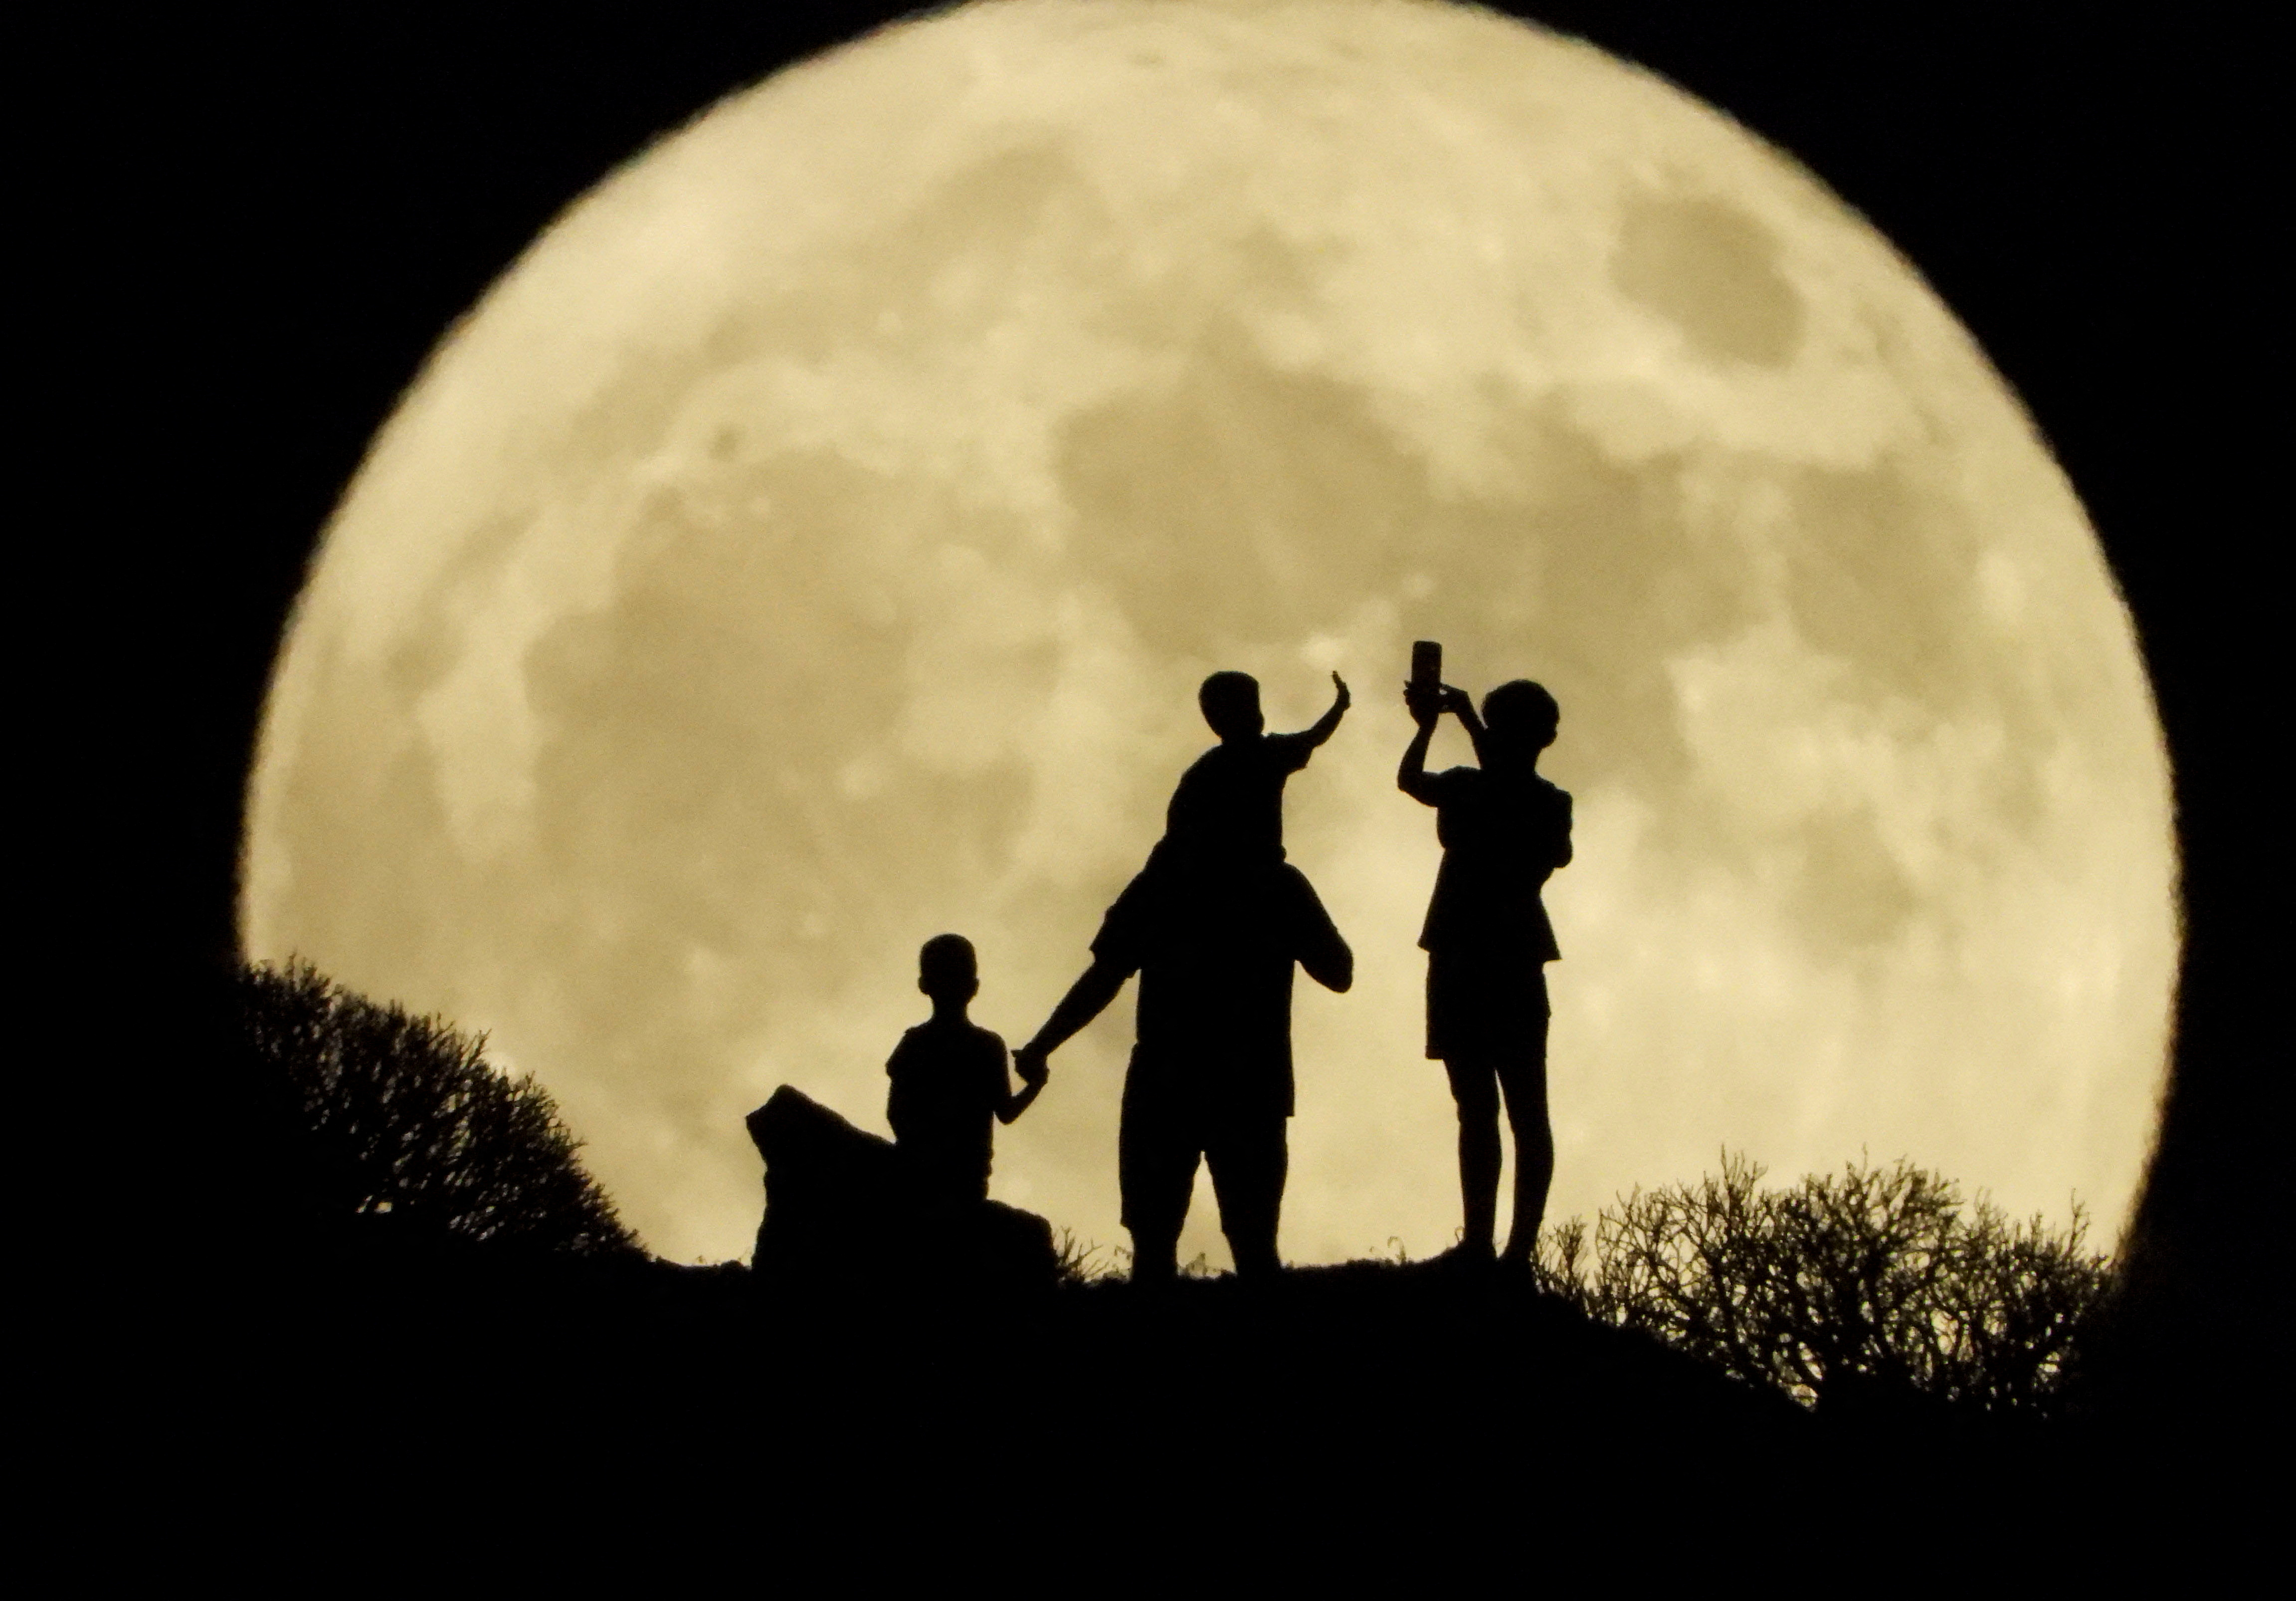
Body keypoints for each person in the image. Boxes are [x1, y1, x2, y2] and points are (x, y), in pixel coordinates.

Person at [1398, 676, 1573, 1266]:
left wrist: (1437, 725)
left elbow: (1418, 782)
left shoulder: (1507, 795)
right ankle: (1502, 1247)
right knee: (1511, 1110)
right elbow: (1493, 784)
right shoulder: (1545, 802)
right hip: (1500, 960)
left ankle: (1494, 1244)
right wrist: (1459, 723)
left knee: (1492, 1110)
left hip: (1469, 958)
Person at [885, 934, 1045, 1209]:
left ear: (924, 985)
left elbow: (896, 1113)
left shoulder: (914, 1043)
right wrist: (1036, 1084)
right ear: (974, 987)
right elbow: (1006, 1113)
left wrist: (920, 1151)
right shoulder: (988, 1046)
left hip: (918, 1174)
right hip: (966, 1180)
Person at [1161, 670, 1349, 872]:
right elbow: (1315, 737)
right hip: (1258, 873)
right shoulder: (1268, 752)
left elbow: (1177, 832)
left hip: (1215, 873)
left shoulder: (1203, 770)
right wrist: (1340, 706)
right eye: (1248, 707)